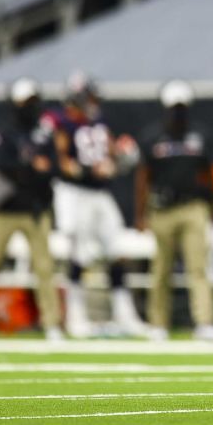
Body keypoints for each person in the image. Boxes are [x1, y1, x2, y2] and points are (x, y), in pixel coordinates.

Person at [0, 78, 63, 342]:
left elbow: (51, 168)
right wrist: (30, 168)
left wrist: (28, 169)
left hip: (35, 209)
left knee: (44, 268)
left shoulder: (43, 133)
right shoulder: (4, 132)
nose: (30, 107)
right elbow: (1, 169)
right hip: (4, 208)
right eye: (25, 102)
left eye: (32, 102)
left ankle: (52, 323)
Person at [47, 71, 147, 338]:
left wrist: (123, 157)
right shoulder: (63, 123)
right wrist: (89, 170)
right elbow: (62, 161)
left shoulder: (100, 121)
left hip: (100, 194)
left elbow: (112, 153)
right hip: (76, 193)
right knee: (79, 254)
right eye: (88, 96)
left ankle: (125, 314)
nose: (93, 102)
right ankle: (75, 316)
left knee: (117, 251)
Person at [135, 80, 213, 342]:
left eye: (181, 107)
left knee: (198, 266)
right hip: (162, 208)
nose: (178, 112)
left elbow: (209, 174)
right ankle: (158, 323)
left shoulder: (200, 135)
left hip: (193, 207)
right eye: (174, 107)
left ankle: (204, 321)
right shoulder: (153, 136)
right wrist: (140, 214)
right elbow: (143, 177)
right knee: (161, 269)